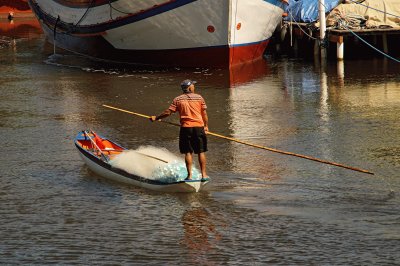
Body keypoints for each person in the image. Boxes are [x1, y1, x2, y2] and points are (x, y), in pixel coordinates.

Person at [150, 79, 209, 180]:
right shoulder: (199, 97)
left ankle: (189, 176)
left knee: (188, 152)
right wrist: (206, 126)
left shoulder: (178, 99)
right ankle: (204, 175)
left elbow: (168, 112)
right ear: (190, 87)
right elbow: (204, 114)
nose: (194, 87)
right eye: (193, 85)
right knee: (201, 152)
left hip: (186, 128)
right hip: (199, 127)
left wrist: (157, 117)